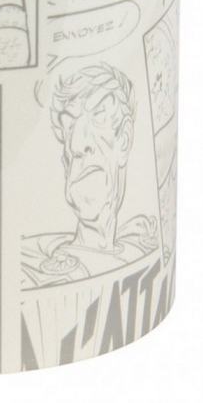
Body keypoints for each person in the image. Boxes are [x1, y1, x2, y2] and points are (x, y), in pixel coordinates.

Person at [21, 63, 158, 288]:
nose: (77, 143)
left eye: (98, 116)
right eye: (69, 124)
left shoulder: (143, 238)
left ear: (124, 139)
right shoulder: (34, 268)